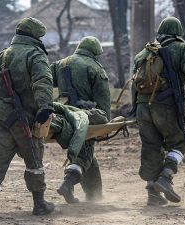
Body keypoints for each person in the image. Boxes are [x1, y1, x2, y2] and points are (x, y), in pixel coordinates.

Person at [0, 17, 55, 217]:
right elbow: (42, 81)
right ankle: (39, 203)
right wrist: (46, 107)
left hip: (1, 115)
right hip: (24, 117)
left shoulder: (2, 55)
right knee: (34, 158)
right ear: (35, 35)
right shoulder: (35, 54)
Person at [132, 17, 185, 205]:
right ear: (178, 32)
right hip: (165, 105)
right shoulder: (183, 49)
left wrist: (135, 108)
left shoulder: (144, 51)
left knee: (151, 147)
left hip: (142, 107)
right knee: (179, 143)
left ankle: (152, 193)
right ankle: (165, 177)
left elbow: (135, 82)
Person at [50, 36, 111, 203]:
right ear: (95, 53)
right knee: (85, 152)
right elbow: (104, 103)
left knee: (87, 152)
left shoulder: (61, 64)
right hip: (85, 118)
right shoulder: (96, 68)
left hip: (63, 116)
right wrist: (105, 126)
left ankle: (94, 194)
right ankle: (68, 182)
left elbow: (44, 81)